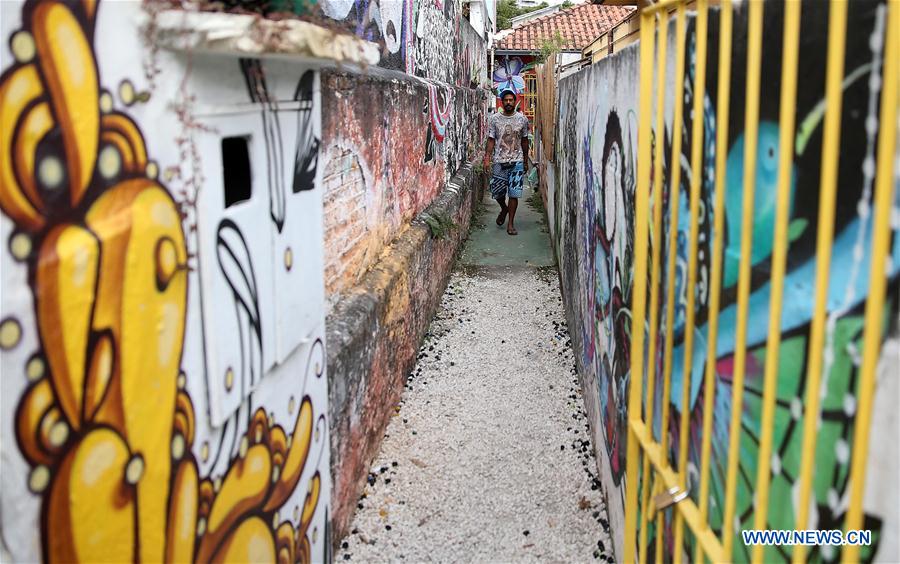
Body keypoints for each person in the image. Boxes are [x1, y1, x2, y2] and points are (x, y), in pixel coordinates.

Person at [483, 89, 530, 235]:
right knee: (497, 192)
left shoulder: (522, 119)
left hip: (517, 161)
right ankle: (504, 208)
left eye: (511, 100)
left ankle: (510, 223)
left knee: (514, 194)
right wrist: (487, 157)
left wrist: (526, 160)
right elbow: (491, 139)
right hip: (499, 161)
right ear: (502, 102)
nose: (508, 102)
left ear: (515, 101)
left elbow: (525, 140)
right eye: (506, 100)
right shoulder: (495, 119)